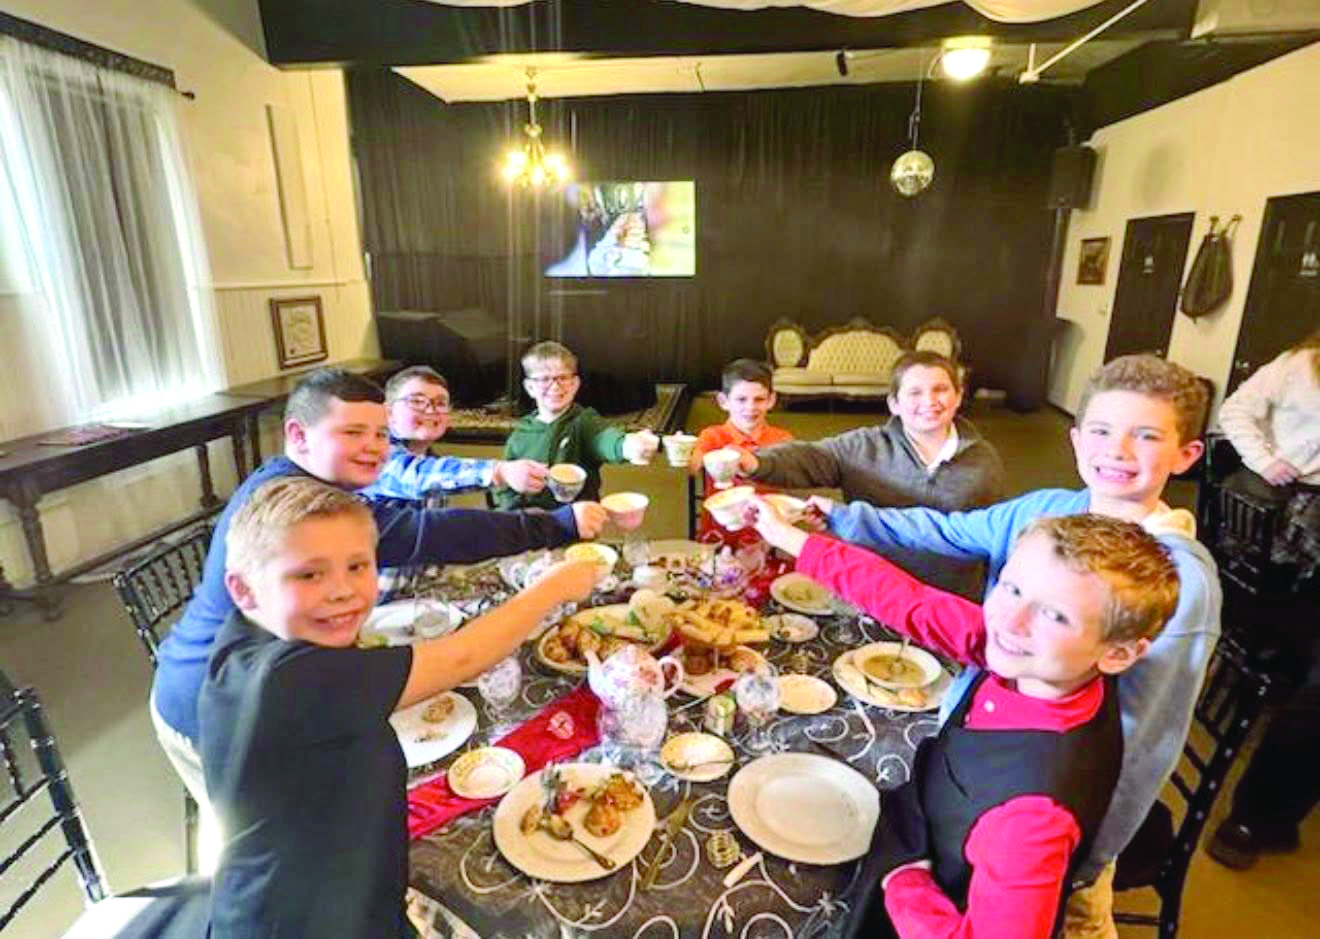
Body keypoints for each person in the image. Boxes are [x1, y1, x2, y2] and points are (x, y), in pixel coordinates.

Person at [806, 354, 1219, 937]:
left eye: (1145, 435)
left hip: (1052, 810)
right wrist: (843, 519)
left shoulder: (1178, 578)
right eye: (1101, 431)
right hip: (979, 749)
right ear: (1075, 439)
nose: (1117, 450)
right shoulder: (1048, 511)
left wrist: (1086, 864)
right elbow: (947, 533)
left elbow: (1145, 738)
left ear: (1185, 455)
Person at [151, 367, 607, 818]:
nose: (374, 447)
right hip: (212, 708)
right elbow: (431, 539)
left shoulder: (305, 485)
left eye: (380, 433)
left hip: (267, 683)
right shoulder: (300, 512)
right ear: (298, 434)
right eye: (353, 432)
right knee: (280, 830)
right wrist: (557, 532)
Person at [750, 499, 1181, 939]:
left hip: (918, 897)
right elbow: (911, 602)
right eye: (1010, 587)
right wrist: (792, 539)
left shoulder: (1032, 822)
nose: (1010, 621)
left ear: (1119, 653)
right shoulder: (1046, 666)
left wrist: (905, 885)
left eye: (1054, 615)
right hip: (919, 825)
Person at [200, 477, 599, 937]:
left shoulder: (247, 644)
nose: (342, 590)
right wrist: (552, 588)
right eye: (309, 574)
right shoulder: (282, 678)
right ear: (243, 588)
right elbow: (463, 656)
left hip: (338, 886)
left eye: (358, 566)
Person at [739, 350, 1005, 598]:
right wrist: (756, 462)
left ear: (958, 397)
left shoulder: (984, 461)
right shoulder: (864, 447)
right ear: (894, 404)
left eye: (940, 389)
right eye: (915, 392)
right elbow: (811, 457)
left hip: (952, 601)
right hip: (873, 594)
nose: (929, 401)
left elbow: (994, 538)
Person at [1207, 332, 1320, 870]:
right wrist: (1268, 458)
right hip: (1288, 516)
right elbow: (1236, 412)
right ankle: (1256, 815)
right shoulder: (1299, 364)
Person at [494, 341, 659, 510]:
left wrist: (629, 446)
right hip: (529, 521)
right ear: (530, 388)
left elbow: (605, 439)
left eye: (563, 378)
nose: (555, 386)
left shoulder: (584, 422)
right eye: (544, 379)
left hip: (576, 520)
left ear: (575, 384)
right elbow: (505, 484)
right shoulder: (521, 433)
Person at [362, 365, 549, 508]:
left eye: (440, 403)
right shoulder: (374, 455)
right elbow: (415, 476)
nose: (430, 410)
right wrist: (500, 472)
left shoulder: (432, 459)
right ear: (389, 412)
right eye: (417, 401)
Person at [688, 358, 793, 539]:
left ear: (771, 400)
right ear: (723, 401)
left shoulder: (782, 439)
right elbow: (691, 468)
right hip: (720, 531)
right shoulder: (712, 436)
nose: (750, 407)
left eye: (759, 399)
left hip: (768, 532)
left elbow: (795, 479)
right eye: (741, 399)